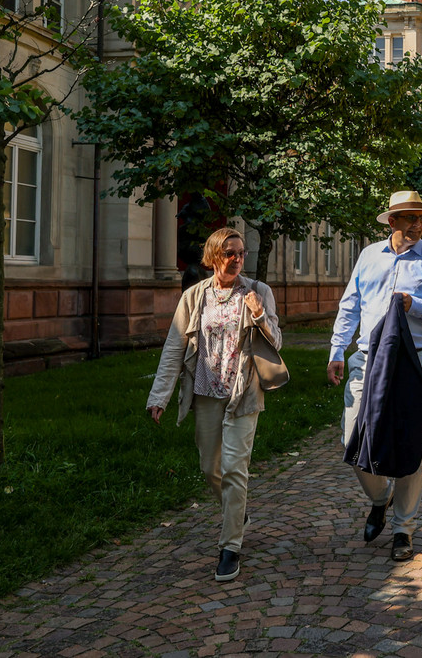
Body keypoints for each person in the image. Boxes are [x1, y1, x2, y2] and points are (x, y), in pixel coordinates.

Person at [327, 190, 422, 562]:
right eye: (410, 218)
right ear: (392, 222)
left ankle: (403, 528)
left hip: (416, 360)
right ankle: (380, 497)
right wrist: (337, 351)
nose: (418, 225)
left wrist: (415, 304)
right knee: (352, 437)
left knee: (408, 446)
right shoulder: (369, 256)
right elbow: (350, 304)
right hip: (367, 359)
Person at [146, 227, 281, 583]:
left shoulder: (258, 292)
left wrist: (259, 315)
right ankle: (237, 512)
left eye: (241, 253)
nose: (237, 259)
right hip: (205, 392)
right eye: (230, 253)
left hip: (243, 392)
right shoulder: (194, 296)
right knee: (210, 467)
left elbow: (277, 341)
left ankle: (230, 547)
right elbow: (175, 347)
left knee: (236, 468)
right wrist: (159, 396)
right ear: (213, 257)